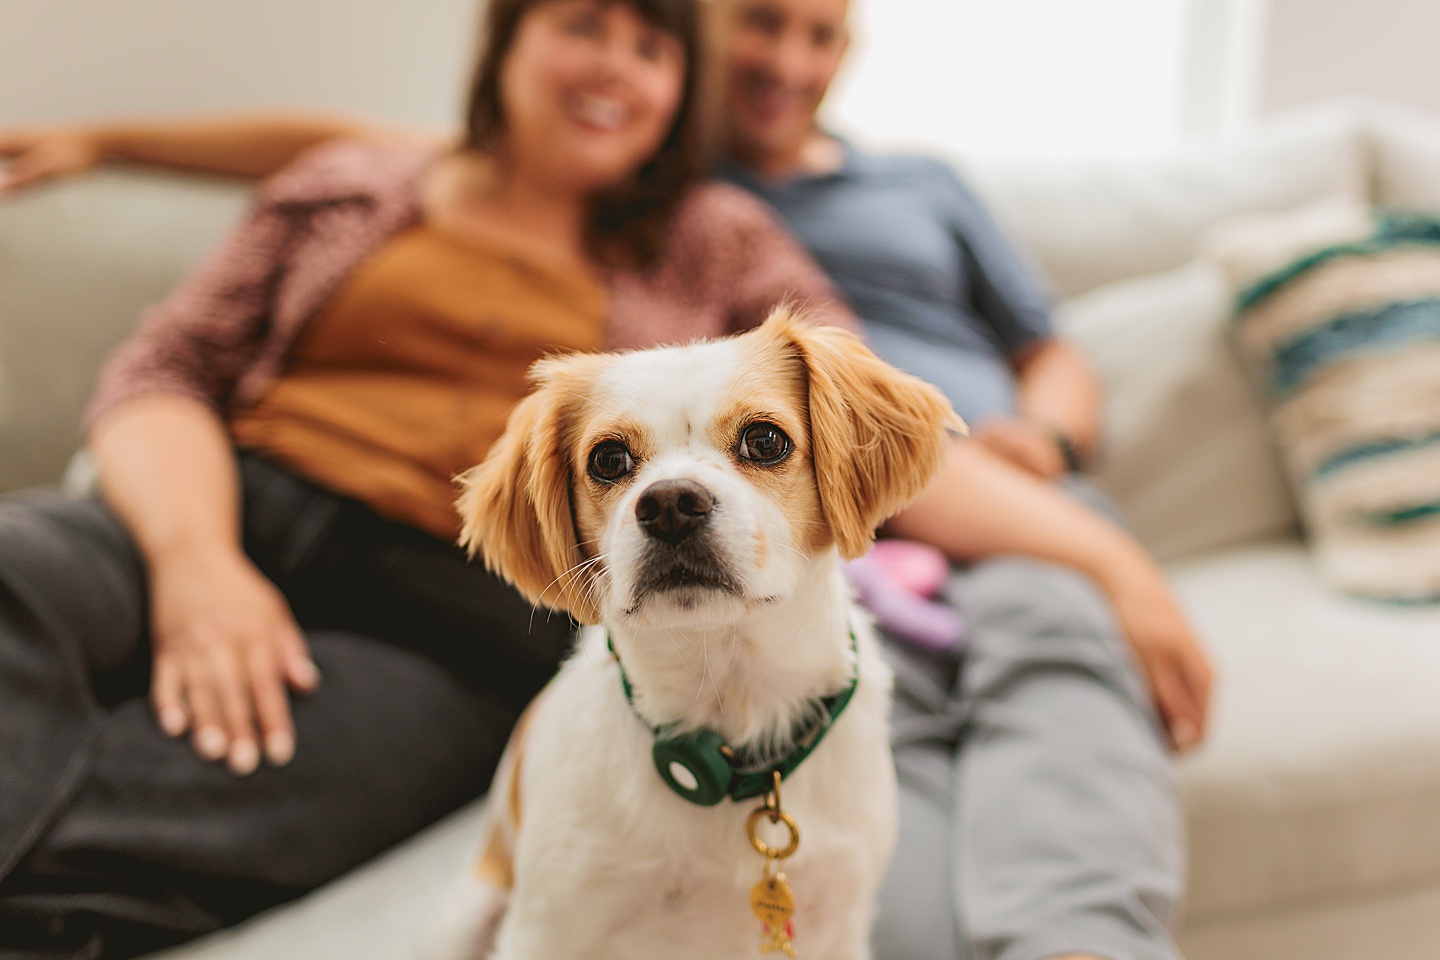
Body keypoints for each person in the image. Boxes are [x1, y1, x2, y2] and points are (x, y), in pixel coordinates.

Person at [0, 1, 1214, 958]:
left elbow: (845, 432)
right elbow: (168, 366)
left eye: (652, 46)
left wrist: (1101, 551)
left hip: (450, 604)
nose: (616, 66)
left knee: (166, 818)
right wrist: (196, 561)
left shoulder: (716, 238)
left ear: (682, 91)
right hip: (226, 500)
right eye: (583, 23)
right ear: (505, 42)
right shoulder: (361, 181)